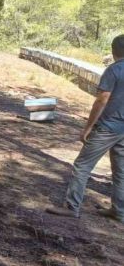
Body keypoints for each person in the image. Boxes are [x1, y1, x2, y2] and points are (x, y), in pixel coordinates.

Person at [46, 34, 124, 223]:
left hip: (107, 127)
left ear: (114, 51)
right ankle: (119, 211)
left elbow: (102, 99)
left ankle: (72, 207)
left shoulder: (114, 70)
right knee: (121, 170)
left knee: (82, 166)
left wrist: (88, 127)